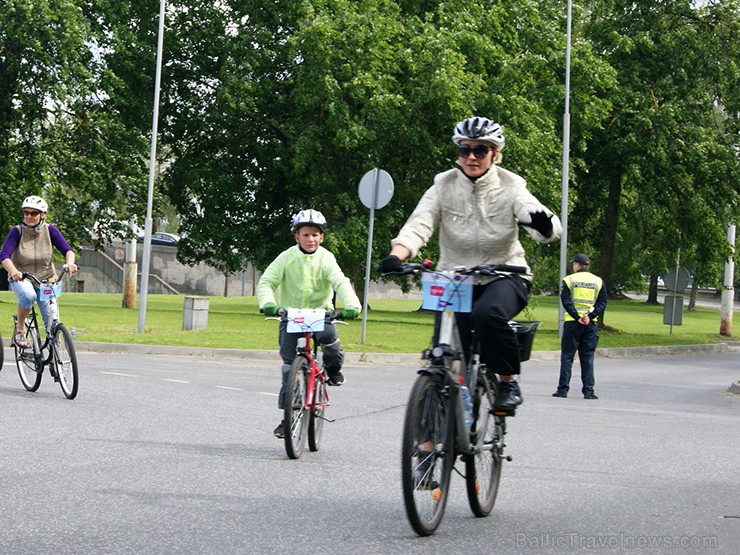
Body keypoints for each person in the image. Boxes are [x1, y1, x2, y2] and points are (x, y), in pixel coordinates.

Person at [378, 116, 562, 411]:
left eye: (481, 150)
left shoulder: (512, 186)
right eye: (465, 150)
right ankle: (427, 444)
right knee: (442, 354)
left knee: (486, 315)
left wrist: (543, 226)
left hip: (504, 274)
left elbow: (539, 221)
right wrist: (397, 255)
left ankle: (507, 381)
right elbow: (419, 225)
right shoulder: (443, 185)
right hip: (454, 278)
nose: (472, 157)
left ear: (495, 154)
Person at [257, 209, 362, 438]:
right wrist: (268, 303)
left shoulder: (326, 258)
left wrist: (352, 305)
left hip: (320, 314)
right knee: (288, 368)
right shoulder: (286, 257)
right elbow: (266, 281)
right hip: (291, 316)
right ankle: (287, 417)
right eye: (305, 234)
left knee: (330, 343)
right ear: (297, 236)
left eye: (315, 235)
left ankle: (334, 371)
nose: (310, 239)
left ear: (322, 237)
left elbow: (340, 282)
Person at [1, 195, 78, 348]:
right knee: (28, 295)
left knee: (52, 320)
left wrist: (70, 263)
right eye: (26, 212)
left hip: (46, 280)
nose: (29, 216)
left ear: (42, 215)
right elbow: (4, 255)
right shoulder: (17, 231)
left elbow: (68, 250)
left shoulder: (50, 230)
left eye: (34, 213)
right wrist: (14, 271)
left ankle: (55, 358)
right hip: (22, 278)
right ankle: (20, 329)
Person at [553, 253, 607, 399]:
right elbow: (602, 303)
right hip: (590, 325)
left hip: (572, 323)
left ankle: (562, 390)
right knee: (588, 357)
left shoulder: (569, 280)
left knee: (567, 357)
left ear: (577, 265)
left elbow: (566, 301)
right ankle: (589, 391)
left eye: (574, 264)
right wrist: (589, 317)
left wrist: (577, 317)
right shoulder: (598, 281)